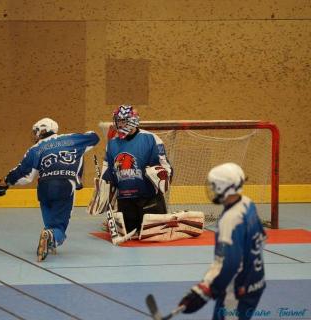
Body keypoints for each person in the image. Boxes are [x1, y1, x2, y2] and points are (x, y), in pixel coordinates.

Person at [0, 117, 99, 262]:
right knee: (59, 227)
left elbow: (24, 173)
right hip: (65, 185)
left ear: (42, 130)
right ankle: (52, 237)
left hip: (44, 187)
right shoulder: (72, 139)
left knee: (50, 223)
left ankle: (49, 240)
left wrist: (5, 183)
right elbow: (94, 137)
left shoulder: (35, 149)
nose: (35, 135)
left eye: (36, 131)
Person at [178, 162, 266, 320]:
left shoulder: (230, 220)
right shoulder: (247, 203)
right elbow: (262, 236)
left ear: (222, 188)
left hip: (237, 289)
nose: (211, 189)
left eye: (213, 186)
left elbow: (229, 263)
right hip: (256, 281)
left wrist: (209, 290)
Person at [101, 105, 173, 238]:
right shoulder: (112, 144)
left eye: (123, 121)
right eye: (118, 121)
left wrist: (161, 175)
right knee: (130, 238)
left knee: (154, 240)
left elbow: (166, 167)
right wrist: (104, 190)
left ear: (133, 120)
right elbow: (108, 172)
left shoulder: (151, 139)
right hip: (125, 202)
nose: (119, 124)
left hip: (149, 200)